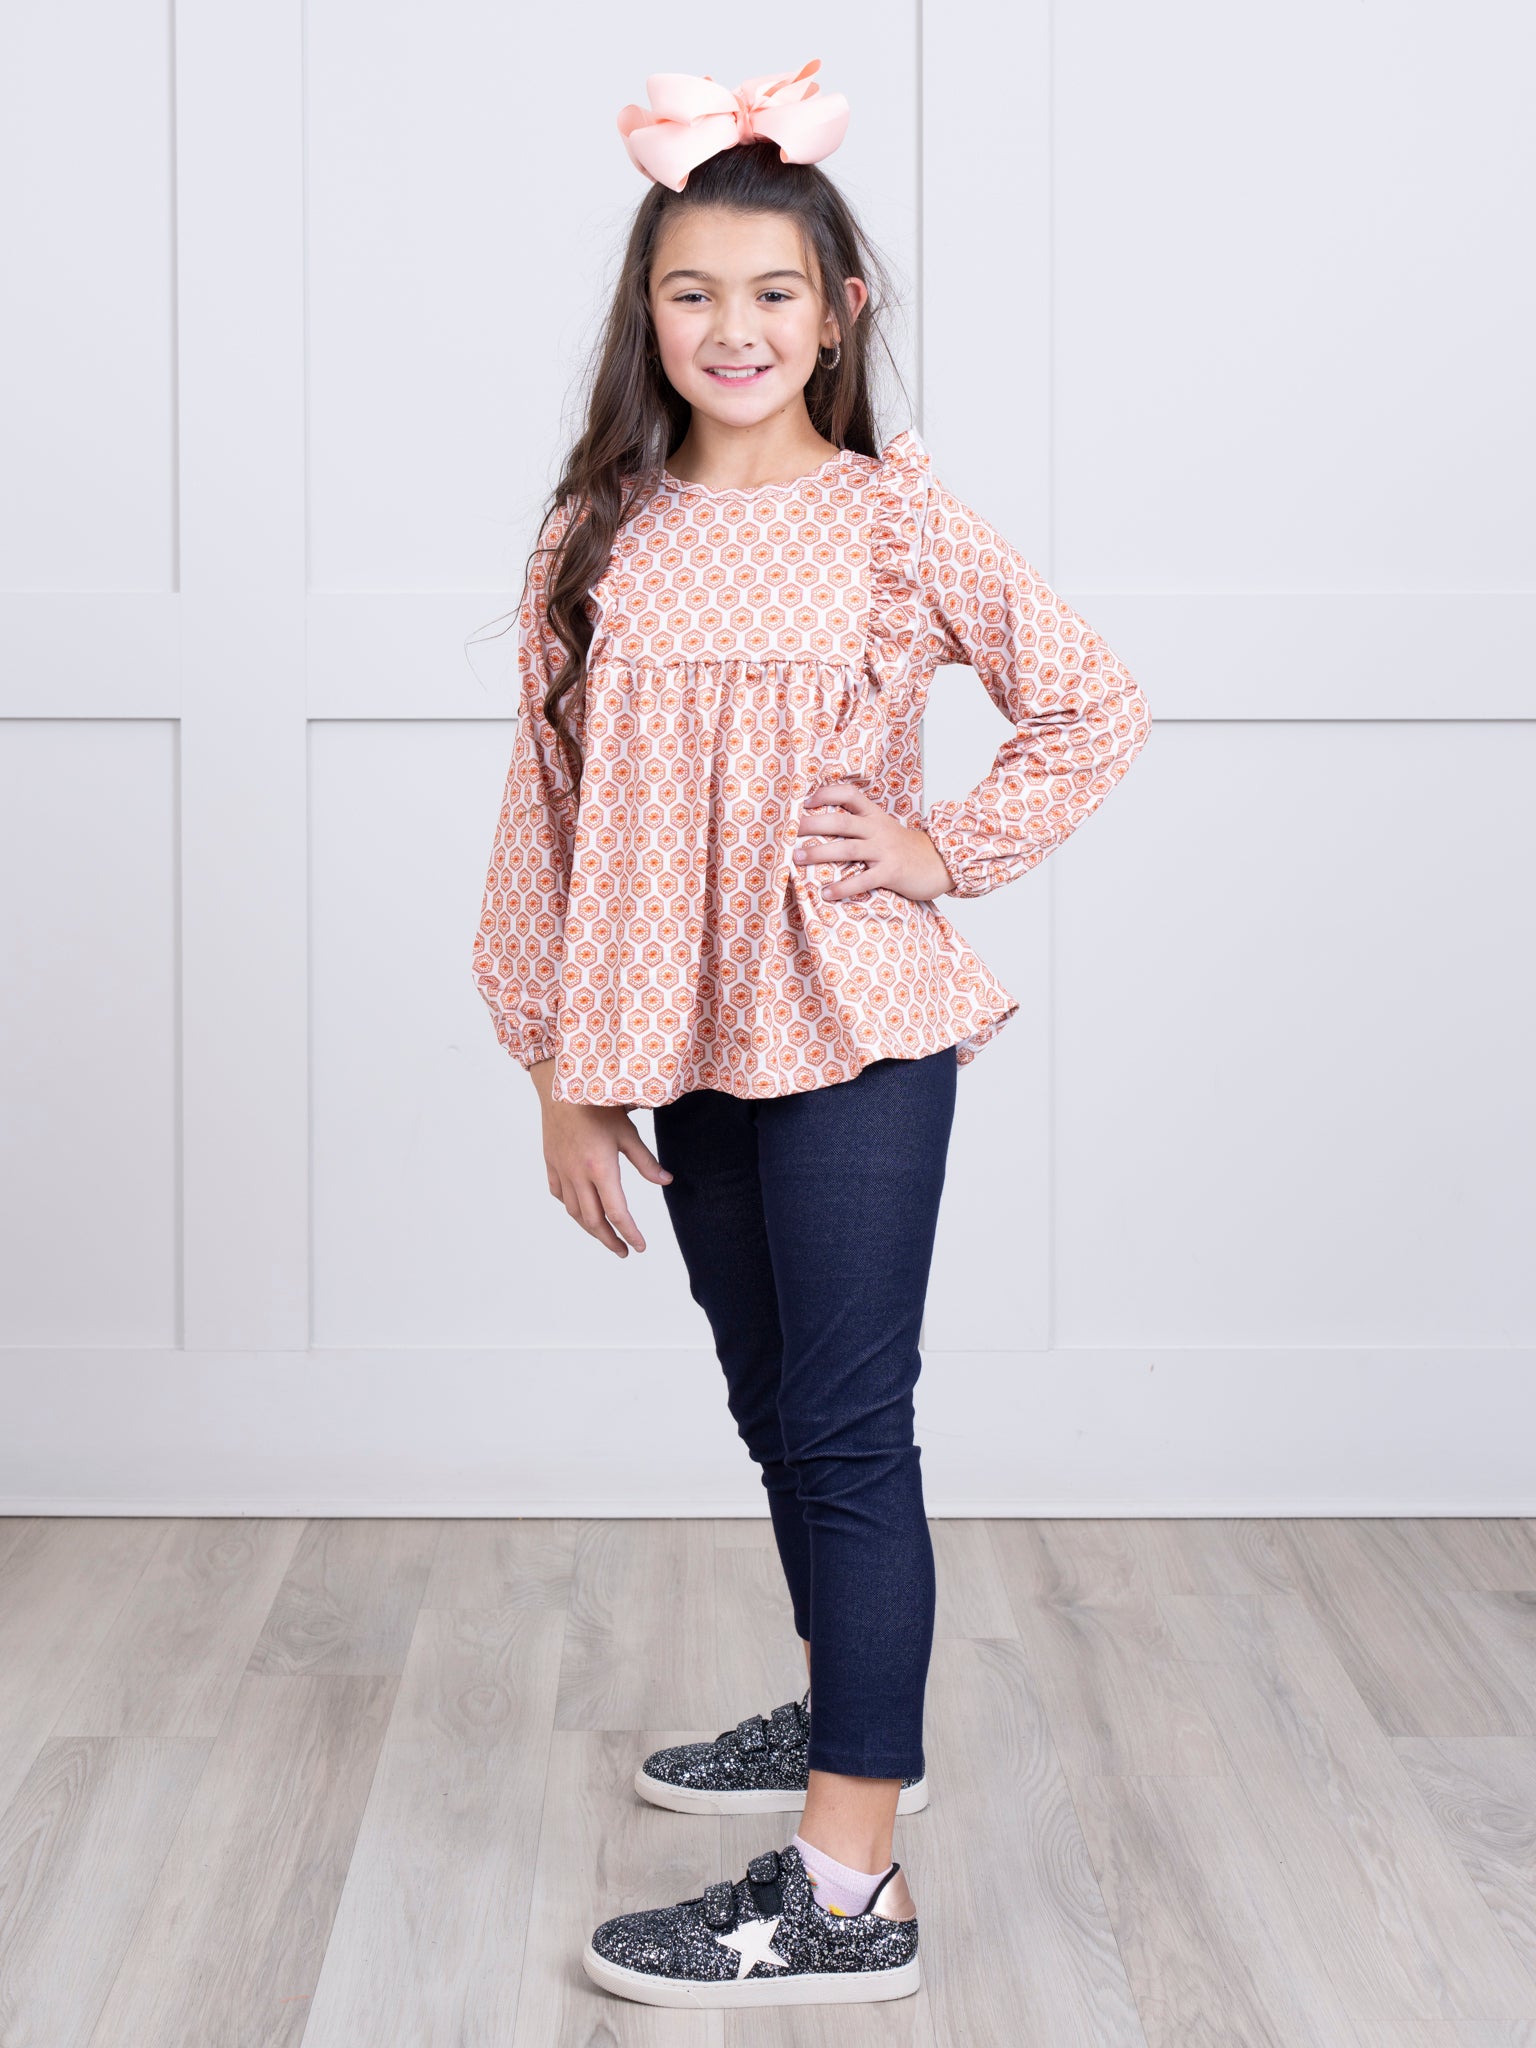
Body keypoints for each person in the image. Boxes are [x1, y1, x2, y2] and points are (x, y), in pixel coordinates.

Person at [470, 57, 1153, 2010]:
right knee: (773, 1401)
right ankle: (852, 1709)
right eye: (693, 291)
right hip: (676, 1030)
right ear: (646, 312)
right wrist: (560, 1069)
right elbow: (546, 810)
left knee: (847, 1423)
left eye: (773, 291)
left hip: (856, 1025)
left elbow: (1093, 703)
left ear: (838, 312)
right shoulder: (595, 534)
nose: (734, 327)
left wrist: (940, 849)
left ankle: (851, 1888)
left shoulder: (894, 524)